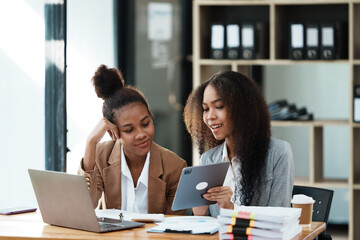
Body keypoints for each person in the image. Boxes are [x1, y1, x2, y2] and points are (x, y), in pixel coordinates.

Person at [78, 64, 187, 215]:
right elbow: (84, 204)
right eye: (129, 130)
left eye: (145, 123)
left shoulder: (174, 166)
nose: (141, 134)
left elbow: (174, 228)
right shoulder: (101, 155)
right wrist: (90, 143)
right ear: (113, 133)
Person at [183, 70, 294, 217]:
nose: (210, 116)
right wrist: (199, 213)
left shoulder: (278, 153)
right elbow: (205, 225)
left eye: (219, 106)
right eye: (205, 109)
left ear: (242, 108)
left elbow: (280, 217)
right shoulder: (208, 160)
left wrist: (231, 210)